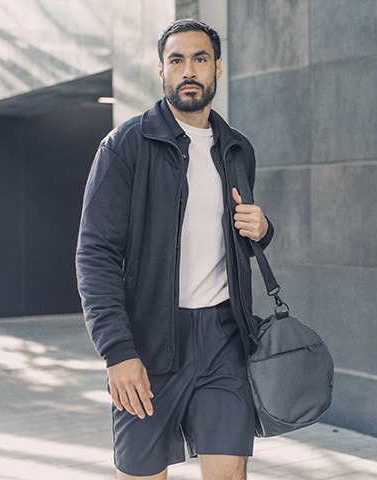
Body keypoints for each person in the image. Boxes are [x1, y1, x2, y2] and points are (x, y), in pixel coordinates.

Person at [76, 19, 274, 480]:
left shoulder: (236, 149)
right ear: (160, 71)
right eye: (177, 60)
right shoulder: (125, 145)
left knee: (230, 473)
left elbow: (233, 242)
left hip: (225, 337)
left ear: (217, 69)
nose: (189, 70)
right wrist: (117, 352)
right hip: (148, 342)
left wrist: (261, 230)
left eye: (200, 59)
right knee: (144, 474)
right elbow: (95, 254)